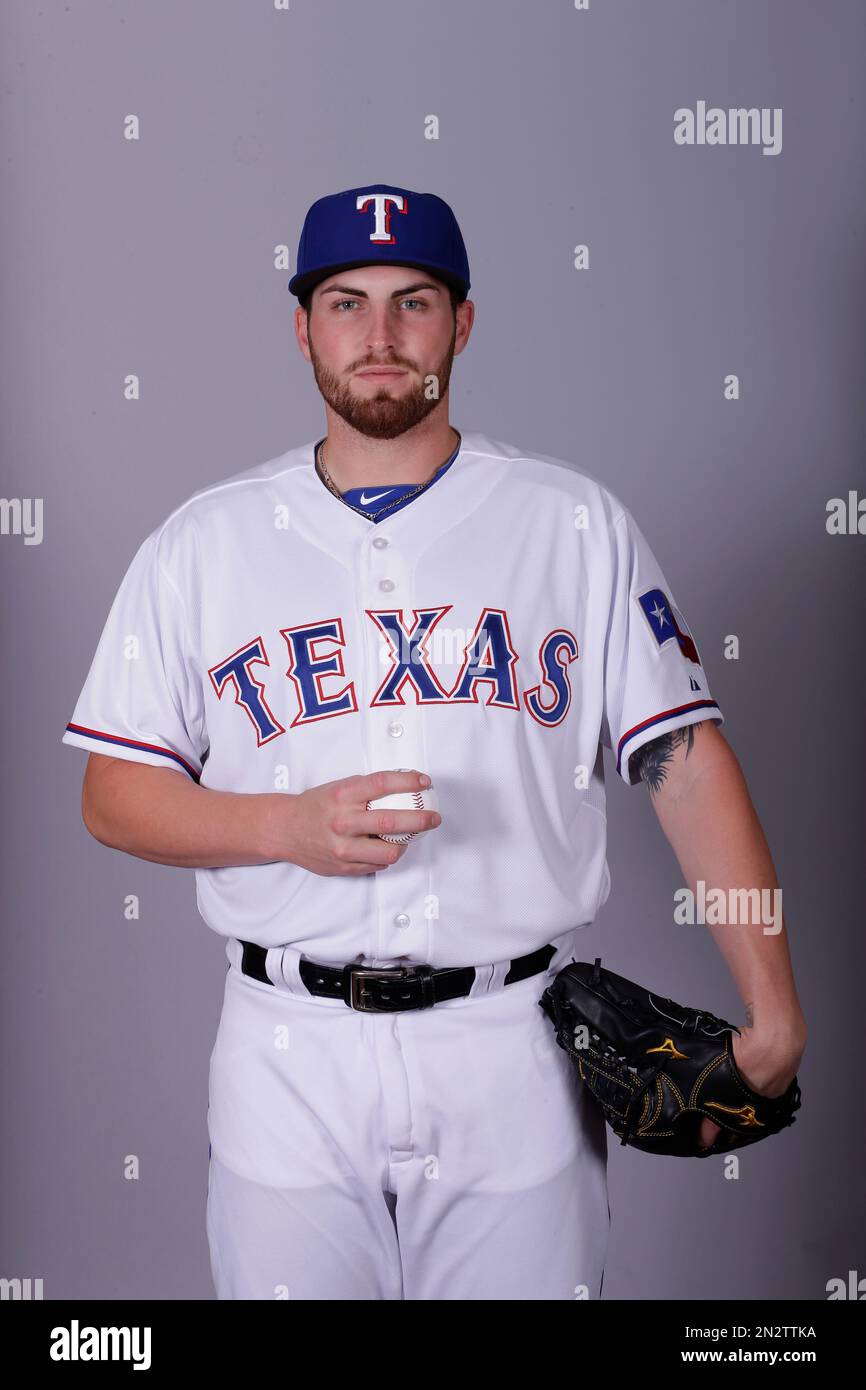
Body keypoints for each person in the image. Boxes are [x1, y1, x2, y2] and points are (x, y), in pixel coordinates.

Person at [62, 183, 806, 1300]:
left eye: (413, 302)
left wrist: (775, 1005)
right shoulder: (202, 544)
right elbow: (111, 791)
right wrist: (282, 826)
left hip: (512, 1046)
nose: (377, 335)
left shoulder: (570, 524)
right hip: (285, 1051)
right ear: (301, 327)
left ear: (461, 323)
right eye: (344, 301)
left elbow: (680, 762)